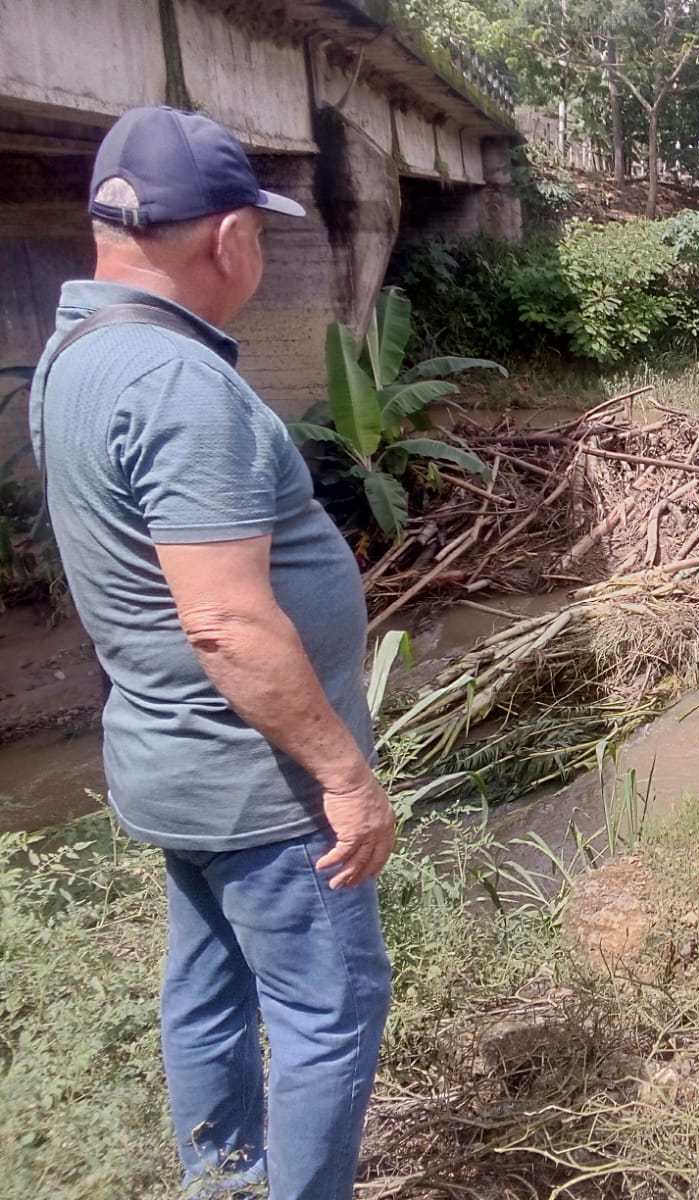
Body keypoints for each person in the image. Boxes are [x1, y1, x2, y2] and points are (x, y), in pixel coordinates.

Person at [28, 107, 395, 1197]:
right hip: (260, 787)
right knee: (331, 1011)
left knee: (208, 985)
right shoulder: (178, 383)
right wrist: (344, 777)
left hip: (170, 762)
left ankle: (223, 1181)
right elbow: (226, 622)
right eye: (260, 237)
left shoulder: (76, 352)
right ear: (230, 239)